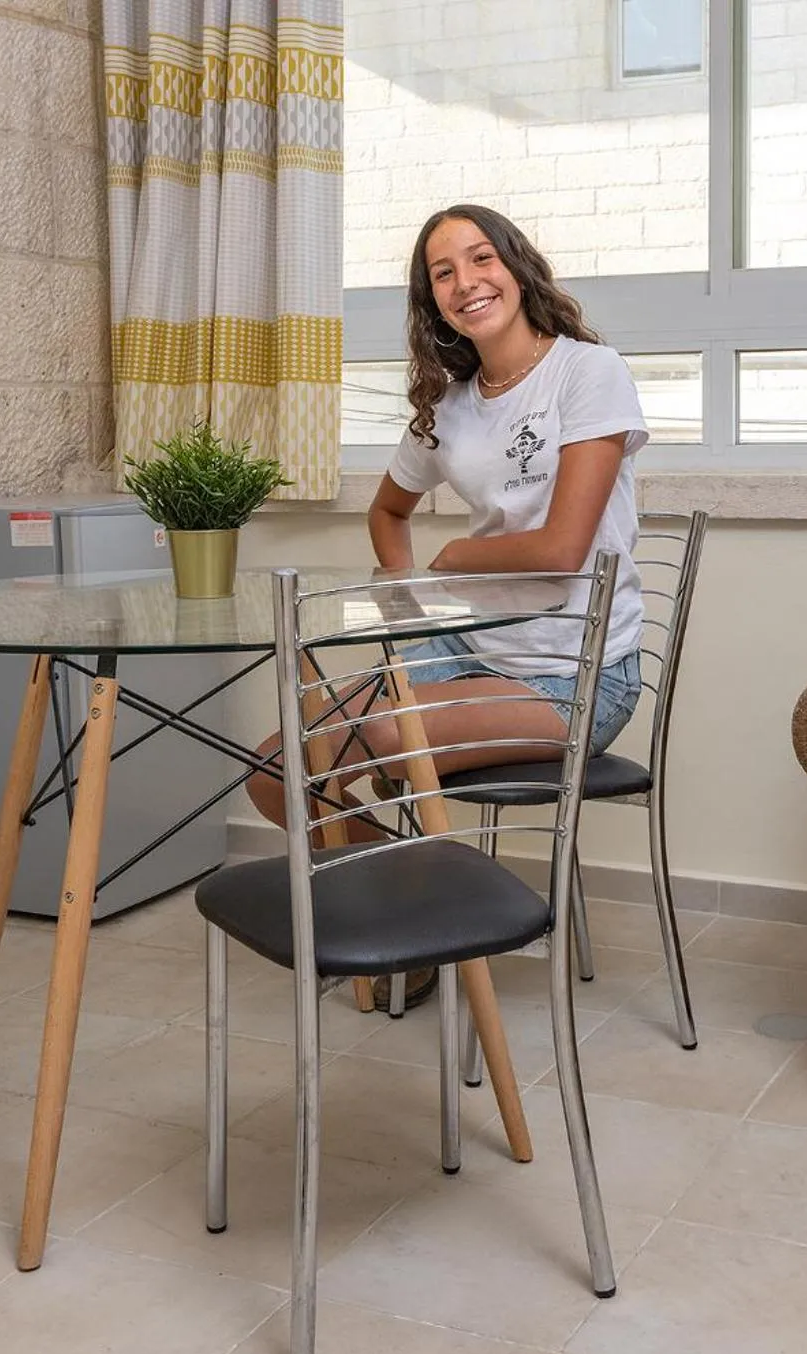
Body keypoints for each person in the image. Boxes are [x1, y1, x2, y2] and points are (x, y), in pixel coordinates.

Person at [245, 205, 648, 1006]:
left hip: (571, 677)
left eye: (479, 258)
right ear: (432, 301)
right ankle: (414, 913)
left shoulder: (586, 373)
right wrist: (412, 608)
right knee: (277, 762)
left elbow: (563, 549)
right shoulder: (452, 406)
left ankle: (420, 930)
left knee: (371, 745)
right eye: (442, 272)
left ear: (515, 263)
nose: (466, 282)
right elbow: (386, 512)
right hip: (473, 653)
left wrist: (456, 558)